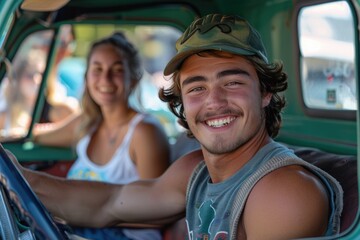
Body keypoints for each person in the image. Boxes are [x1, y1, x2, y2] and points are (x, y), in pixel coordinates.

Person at [7, 14, 343, 239]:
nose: (214, 101)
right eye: (196, 88)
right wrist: (15, 174)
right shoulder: (195, 170)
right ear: (182, 101)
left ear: (265, 92)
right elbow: (108, 204)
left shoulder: (283, 192)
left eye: (232, 82)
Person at [32, 32, 170, 240]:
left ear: (132, 78)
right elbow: (37, 135)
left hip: (125, 234)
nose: (105, 79)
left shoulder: (144, 132)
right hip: (76, 228)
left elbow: (159, 212)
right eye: (97, 69)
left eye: (116, 70)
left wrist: (91, 216)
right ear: (87, 76)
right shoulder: (87, 123)